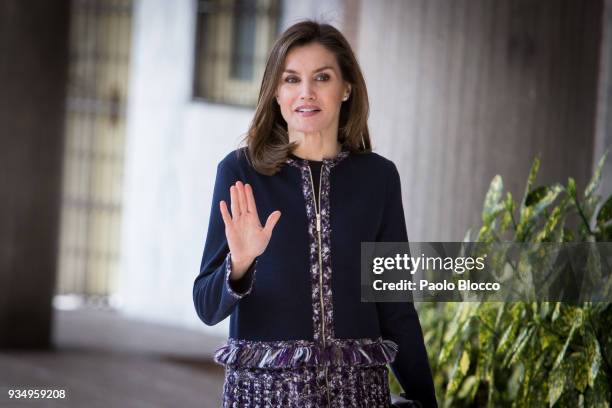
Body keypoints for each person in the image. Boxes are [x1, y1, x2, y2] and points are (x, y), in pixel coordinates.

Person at [193, 20, 437, 408]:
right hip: (264, 397)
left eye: (321, 77)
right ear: (275, 91)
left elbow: (396, 308)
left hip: (358, 396)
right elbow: (206, 306)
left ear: (346, 88)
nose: (305, 93)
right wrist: (239, 263)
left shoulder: (379, 178)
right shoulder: (240, 173)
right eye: (291, 79)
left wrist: (425, 399)